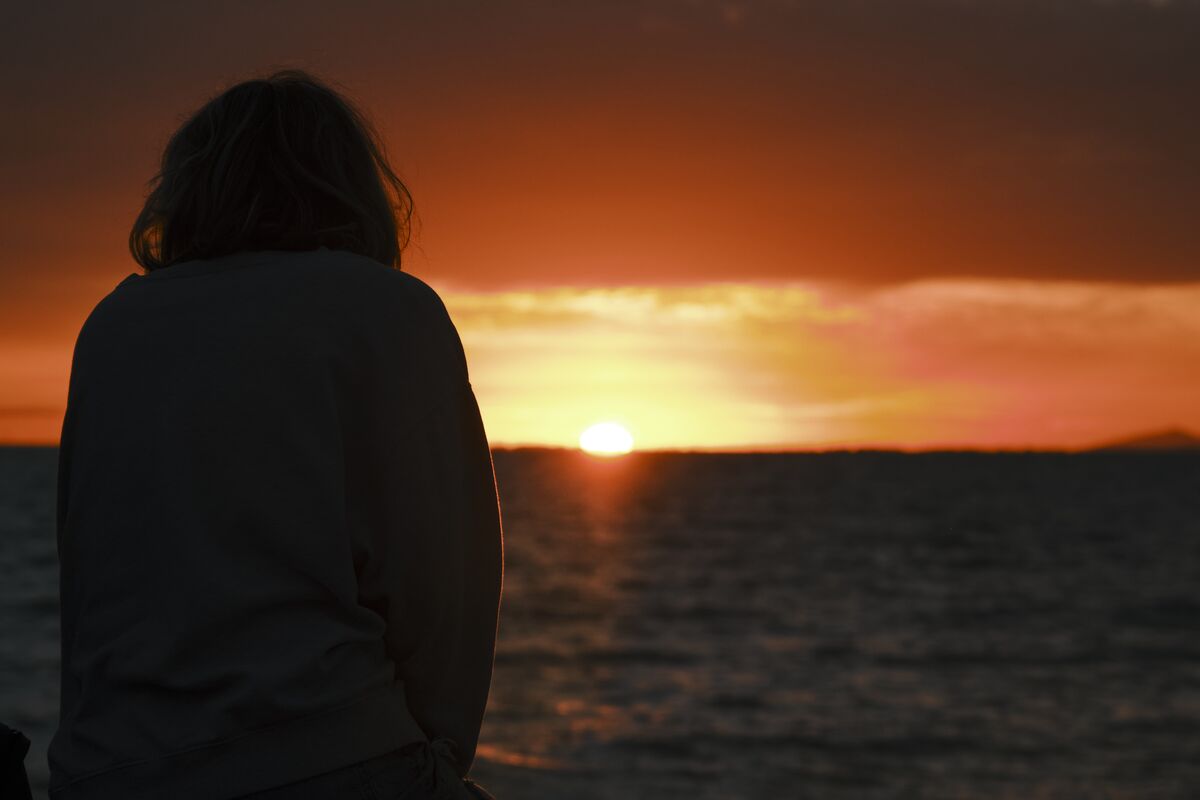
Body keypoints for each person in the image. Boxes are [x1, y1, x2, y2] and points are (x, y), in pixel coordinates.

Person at [48, 69, 504, 800]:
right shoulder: (388, 312)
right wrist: (434, 755)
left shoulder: (111, 326)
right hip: (327, 754)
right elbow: (441, 588)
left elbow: (87, 575)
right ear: (352, 184)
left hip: (110, 768)